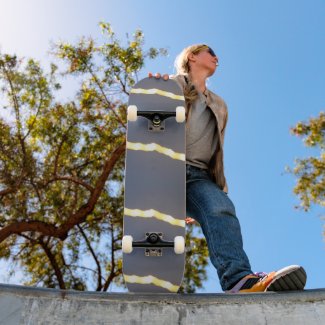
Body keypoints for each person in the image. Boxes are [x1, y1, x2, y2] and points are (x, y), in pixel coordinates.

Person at [149, 44, 307, 293]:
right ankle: (154, 279)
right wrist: (154, 90)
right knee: (160, 231)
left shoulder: (220, 105)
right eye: (210, 52)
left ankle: (239, 281)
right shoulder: (171, 85)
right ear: (192, 56)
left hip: (199, 177)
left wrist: (209, 193)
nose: (216, 57)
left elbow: (215, 150)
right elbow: (148, 118)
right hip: (167, 168)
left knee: (221, 207)